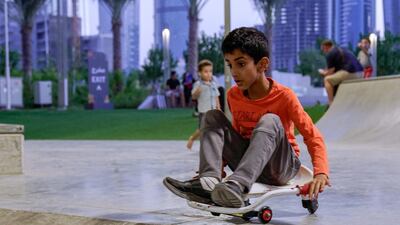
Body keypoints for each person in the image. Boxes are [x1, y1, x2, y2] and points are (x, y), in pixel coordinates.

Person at [163, 27, 330, 208]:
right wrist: (219, 168)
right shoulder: (233, 96)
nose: (234, 72)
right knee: (212, 116)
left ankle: (237, 184)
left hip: (280, 167)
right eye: (230, 64)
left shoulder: (284, 96)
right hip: (247, 163)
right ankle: (208, 181)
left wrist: (321, 173)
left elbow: (312, 135)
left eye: (241, 64)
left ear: (262, 64)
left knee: (270, 120)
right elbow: (234, 136)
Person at [186, 59, 220, 150]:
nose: (208, 74)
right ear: (200, 73)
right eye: (205, 72)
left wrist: (219, 109)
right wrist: (197, 91)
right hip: (204, 111)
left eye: (210, 71)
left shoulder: (213, 84)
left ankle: (211, 146)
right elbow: (193, 97)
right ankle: (193, 138)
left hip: (213, 111)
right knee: (202, 129)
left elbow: (216, 97)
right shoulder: (198, 84)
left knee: (213, 129)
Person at [319, 40, 363, 106]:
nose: (324, 52)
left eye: (323, 49)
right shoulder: (342, 49)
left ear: (326, 47)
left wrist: (322, 73)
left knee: (327, 80)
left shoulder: (331, 53)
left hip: (349, 72)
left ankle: (331, 102)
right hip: (360, 73)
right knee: (336, 78)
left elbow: (330, 72)